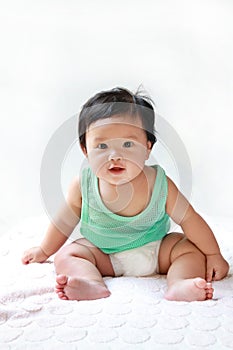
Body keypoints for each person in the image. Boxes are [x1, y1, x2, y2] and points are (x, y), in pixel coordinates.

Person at [22, 87, 229, 302]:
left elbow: (189, 219)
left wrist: (213, 254)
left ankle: (179, 283)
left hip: (157, 251)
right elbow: (62, 222)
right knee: (68, 255)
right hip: (103, 255)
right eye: (102, 146)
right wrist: (44, 251)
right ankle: (91, 283)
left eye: (128, 144)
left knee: (188, 249)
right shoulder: (84, 185)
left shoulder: (160, 184)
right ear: (85, 150)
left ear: (147, 148)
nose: (115, 156)